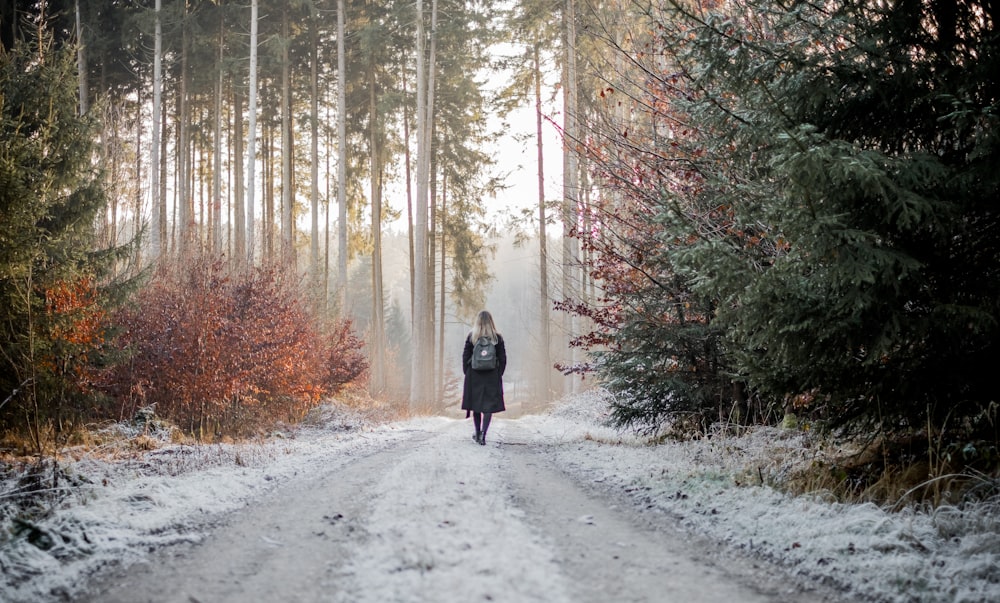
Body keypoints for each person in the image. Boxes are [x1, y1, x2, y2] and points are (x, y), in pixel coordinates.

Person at [462, 310, 506, 445]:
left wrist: (467, 372)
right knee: (488, 407)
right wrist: (498, 374)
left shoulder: (472, 336)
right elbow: (503, 359)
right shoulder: (497, 337)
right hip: (491, 375)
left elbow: (465, 356)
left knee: (476, 405)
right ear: (491, 321)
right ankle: (483, 434)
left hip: (474, 375)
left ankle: (477, 431)